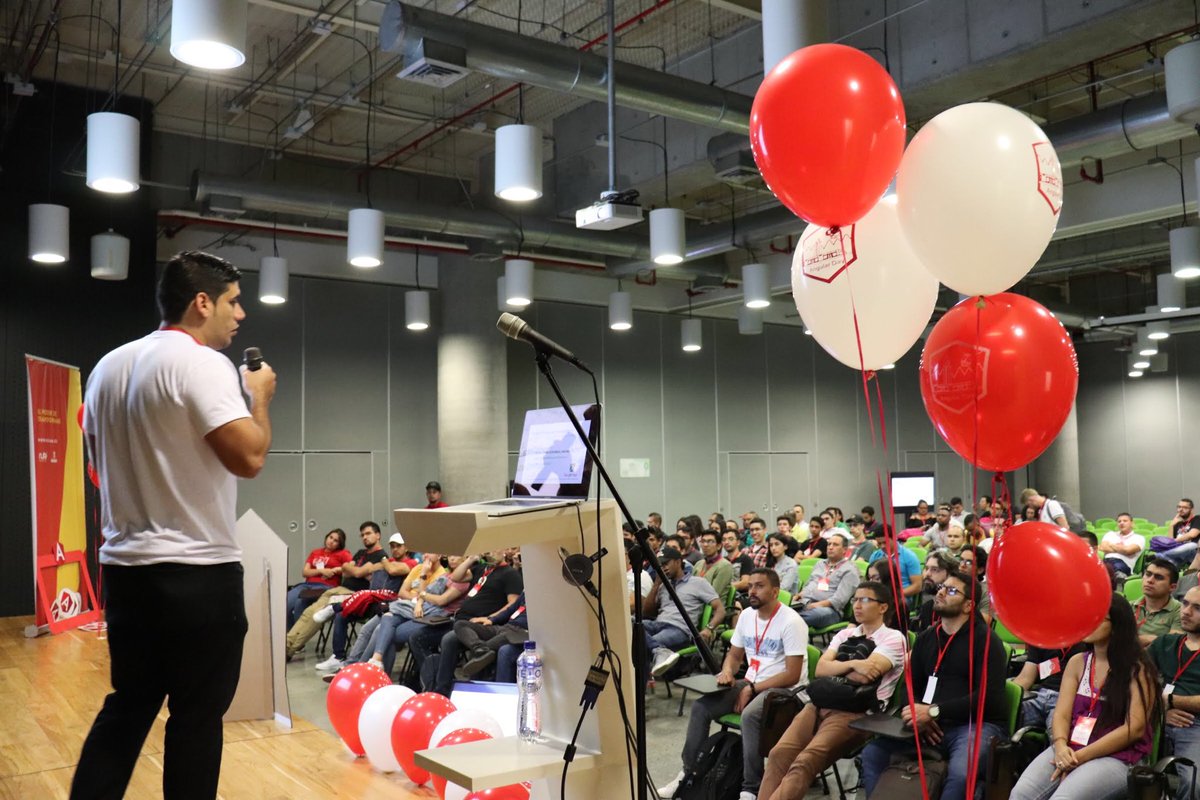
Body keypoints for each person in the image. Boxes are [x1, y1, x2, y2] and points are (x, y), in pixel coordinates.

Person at [72, 251, 276, 800]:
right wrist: (258, 399)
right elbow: (250, 459)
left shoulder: (107, 367)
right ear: (201, 302)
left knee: (128, 707)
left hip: (126, 571)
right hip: (197, 573)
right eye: (233, 301)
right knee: (195, 720)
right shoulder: (203, 363)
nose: (241, 315)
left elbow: (96, 470)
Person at [657, 568, 808, 800]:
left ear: (775, 591)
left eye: (759, 586)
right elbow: (735, 656)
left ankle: (750, 788)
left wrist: (752, 689)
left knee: (750, 716)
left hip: (785, 692)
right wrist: (727, 671)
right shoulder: (747, 616)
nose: (752, 591)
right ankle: (689, 773)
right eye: (750, 586)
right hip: (752, 682)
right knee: (700, 708)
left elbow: (793, 674)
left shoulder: (791, 622)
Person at [860, 571, 1007, 800]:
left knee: (960, 773)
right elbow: (908, 685)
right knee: (873, 753)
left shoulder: (986, 641)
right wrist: (917, 713)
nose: (940, 592)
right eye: (941, 587)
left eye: (951, 590)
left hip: (973, 725)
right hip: (927, 723)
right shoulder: (927, 637)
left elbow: (989, 698)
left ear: (969, 605)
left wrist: (933, 712)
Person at [759, 581, 906, 800]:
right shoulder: (844, 634)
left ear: (883, 607)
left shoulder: (893, 638)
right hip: (820, 703)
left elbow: (866, 676)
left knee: (804, 762)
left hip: (856, 713)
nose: (857, 605)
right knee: (778, 754)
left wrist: (837, 668)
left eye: (865, 600)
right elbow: (820, 669)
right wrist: (853, 664)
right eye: (855, 599)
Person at [1010, 593, 1158, 800]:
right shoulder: (1078, 662)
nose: (1089, 624)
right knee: (1020, 794)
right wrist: (1061, 745)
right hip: (1070, 747)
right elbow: (1061, 714)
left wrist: (1080, 757)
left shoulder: (1138, 669)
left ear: (1117, 625)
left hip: (1116, 756)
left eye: (1099, 619)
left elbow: (1135, 729)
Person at [286, 521, 387, 660]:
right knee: (308, 612)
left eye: (368, 533)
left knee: (317, 615)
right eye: (362, 535)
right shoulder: (360, 553)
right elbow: (346, 572)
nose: (365, 537)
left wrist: (354, 570)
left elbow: (355, 572)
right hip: (339, 589)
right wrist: (356, 570)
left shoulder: (381, 556)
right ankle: (286, 643)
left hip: (355, 595)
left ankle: (289, 650)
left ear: (378, 535)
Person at [1147, 584, 1200, 799]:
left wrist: (1169, 699)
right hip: (1151, 715)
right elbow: (1135, 683)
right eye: (1185, 603)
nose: (1185, 611)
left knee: (1194, 784)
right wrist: (1162, 707)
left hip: (1193, 723)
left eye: (1197, 607)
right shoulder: (1164, 643)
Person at [643, 547, 725, 676]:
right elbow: (646, 612)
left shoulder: (698, 583)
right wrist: (656, 585)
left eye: (665, 564)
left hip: (680, 629)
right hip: (658, 624)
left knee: (641, 645)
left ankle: (638, 691)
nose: (662, 568)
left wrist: (709, 628)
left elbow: (720, 609)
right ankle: (659, 651)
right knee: (631, 624)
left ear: (678, 562)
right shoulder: (663, 586)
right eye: (659, 565)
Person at [1013, 638, 1089, 730]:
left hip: (1066, 700)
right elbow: (1025, 678)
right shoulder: (1042, 637)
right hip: (1038, 696)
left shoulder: (1088, 642)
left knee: (1056, 734)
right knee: (1007, 716)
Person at [286, 528, 351, 628]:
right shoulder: (315, 552)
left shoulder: (343, 553)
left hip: (326, 587)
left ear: (339, 544)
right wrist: (321, 571)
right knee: (286, 603)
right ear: (326, 537)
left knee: (300, 603)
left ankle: (296, 640)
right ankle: (289, 637)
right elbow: (305, 572)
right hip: (307, 585)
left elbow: (351, 567)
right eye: (330, 537)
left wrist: (335, 570)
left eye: (336, 541)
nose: (331, 541)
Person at [794, 532, 859, 627]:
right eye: (829, 544)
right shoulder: (820, 564)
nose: (830, 547)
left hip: (830, 610)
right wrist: (799, 595)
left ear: (845, 550)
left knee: (801, 618)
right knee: (783, 610)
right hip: (806, 603)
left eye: (835, 545)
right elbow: (810, 584)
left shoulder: (850, 570)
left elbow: (839, 600)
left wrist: (816, 605)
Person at [1135, 557, 1183, 647]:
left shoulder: (1181, 610)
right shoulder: (1129, 606)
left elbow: (1172, 645)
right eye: (1148, 574)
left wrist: (1142, 640)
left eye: (1159, 577)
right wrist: (1154, 639)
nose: (1150, 580)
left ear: (1172, 587)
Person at [1098, 513, 1145, 578]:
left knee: (1112, 568)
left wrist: (1111, 544)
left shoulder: (1139, 538)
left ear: (1132, 523)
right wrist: (1122, 548)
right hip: (1106, 561)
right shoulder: (1110, 534)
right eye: (1119, 521)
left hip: (1124, 564)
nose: (1121, 523)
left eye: (1125, 521)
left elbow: (1128, 550)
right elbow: (1103, 547)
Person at [695, 529, 734, 599]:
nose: (705, 545)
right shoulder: (699, 564)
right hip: (696, 603)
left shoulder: (725, 566)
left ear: (719, 546)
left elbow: (713, 594)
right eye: (703, 541)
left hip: (713, 607)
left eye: (710, 541)